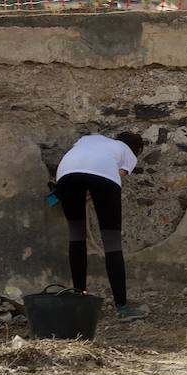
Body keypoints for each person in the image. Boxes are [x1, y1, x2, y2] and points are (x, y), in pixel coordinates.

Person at [53, 131, 150, 320]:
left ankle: (79, 298)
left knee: (76, 235)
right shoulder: (127, 152)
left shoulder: (89, 138)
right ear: (134, 148)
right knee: (112, 242)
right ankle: (122, 307)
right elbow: (118, 173)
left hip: (66, 173)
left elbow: (82, 165)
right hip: (103, 176)